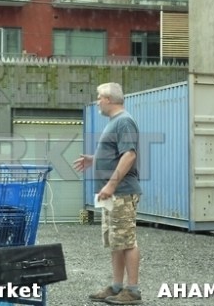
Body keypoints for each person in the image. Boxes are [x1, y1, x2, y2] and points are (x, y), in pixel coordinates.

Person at [73, 82, 142, 305]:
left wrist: (111, 185)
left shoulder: (124, 121)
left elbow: (129, 155)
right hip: (112, 195)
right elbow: (116, 154)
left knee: (126, 240)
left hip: (121, 192)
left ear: (109, 99)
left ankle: (133, 291)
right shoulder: (114, 122)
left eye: (99, 97)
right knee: (115, 241)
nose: (97, 102)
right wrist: (94, 160)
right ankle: (116, 287)